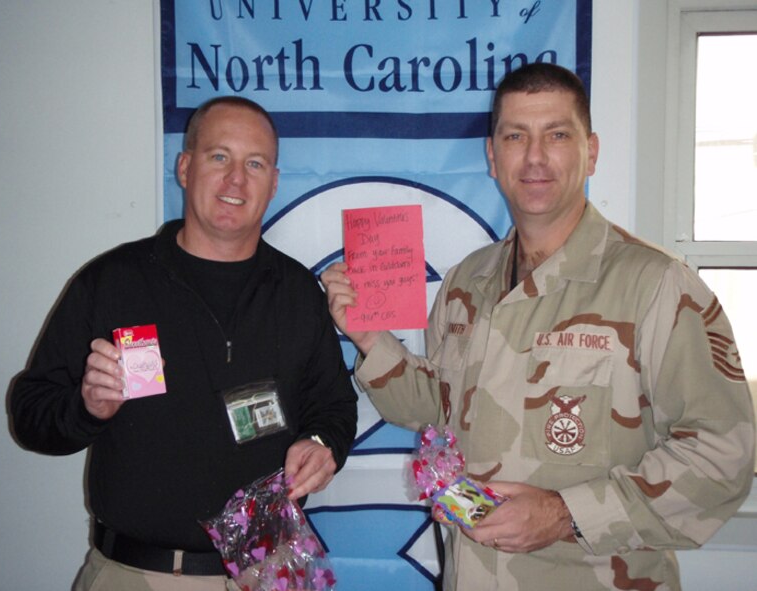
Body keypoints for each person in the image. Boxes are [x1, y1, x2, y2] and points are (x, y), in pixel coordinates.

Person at [321, 63, 754, 590]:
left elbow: (723, 457)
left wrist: (563, 514)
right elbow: (438, 410)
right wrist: (368, 338)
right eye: (515, 136)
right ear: (492, 155)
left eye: (557, 135)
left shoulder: (657, 286)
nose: (535, 157)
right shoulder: (466, 282)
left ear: (590, 151)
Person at [10, 96, 357, 591]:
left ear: (274, 183)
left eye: (254, 163)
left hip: (272, 571)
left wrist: (323, 445)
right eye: (219, 157)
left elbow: (336, 408)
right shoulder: (112, 283)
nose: (236, 179)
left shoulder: (297, 291)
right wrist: (87, 408)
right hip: (138, 575)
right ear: (185, 166)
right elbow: (30, 416)